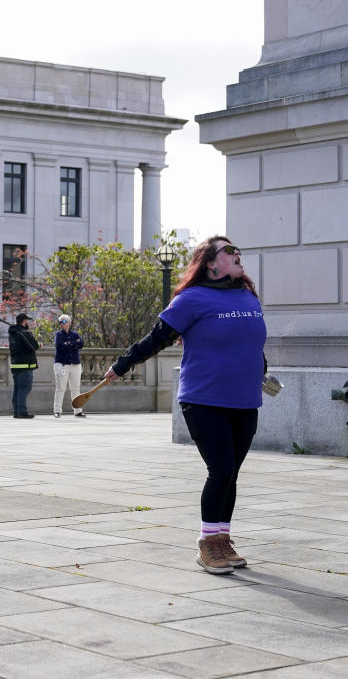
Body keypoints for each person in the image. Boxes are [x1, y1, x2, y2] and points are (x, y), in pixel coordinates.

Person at [103, 236, 266, 575]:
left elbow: (251, 343)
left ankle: (223, 539)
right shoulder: (191, 299)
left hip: (244, 399)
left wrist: (260, 369)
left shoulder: (247, 296)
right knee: (220, 469)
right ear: (210, 263)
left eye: (238, 250)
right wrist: (122, 365)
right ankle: (207, 544)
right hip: (204, 399)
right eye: (229, 251)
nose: (238, 255)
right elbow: (156, 338)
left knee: (232, 472)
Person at [52, 314, 85, 418]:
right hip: (62, 364)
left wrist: (69, 344)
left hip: (75, 364)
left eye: (64, 321)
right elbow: (60, 346)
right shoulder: (59, 335)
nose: (62, 324)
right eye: (60, 322)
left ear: (69, 323)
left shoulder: (75, 334)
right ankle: (57, 410)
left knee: (76, 388)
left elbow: (81, 344)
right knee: (60, 388)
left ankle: (78, 410)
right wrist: (73, 344)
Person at [8, 312, 39, 419]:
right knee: (25, 388)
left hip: (15, 365)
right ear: (24, 321)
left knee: (17, 389)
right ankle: (22, 411)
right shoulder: (23, 332)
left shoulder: (13, 333)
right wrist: (39, 344)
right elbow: (33, 345)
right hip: (25, 365)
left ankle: (16, 411)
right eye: (27, 321)